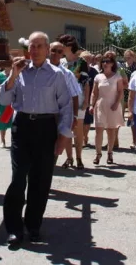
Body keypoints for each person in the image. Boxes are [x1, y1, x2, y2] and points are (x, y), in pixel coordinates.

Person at [0, 31, 73, 246]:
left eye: (40, 46)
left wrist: (63, 136)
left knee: (40, 181)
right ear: (27, 49)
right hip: (22, 127)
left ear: (48, 50)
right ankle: (13, 228)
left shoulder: (57, 74)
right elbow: (4, 99)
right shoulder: (20, 71)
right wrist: (13, 74)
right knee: (18, 177)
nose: (35, 50)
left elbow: (66, 107)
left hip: (46, 128)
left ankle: (33, 226)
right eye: (32, 46)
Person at [48, 41, 84, 169]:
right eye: (53, 50)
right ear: (48, 50)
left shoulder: (67, 74)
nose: (55, 54)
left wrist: (74, 116)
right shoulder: (38, 69)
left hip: (59, 115)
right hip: (40, 114)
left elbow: (75, 96)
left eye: (59, 51)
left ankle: (47, 174)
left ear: (62, 54)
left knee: (54, 148)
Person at [57, 34, 90, 169]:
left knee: (78, 129)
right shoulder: (61, 62)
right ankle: (69, 158)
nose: (60, 47)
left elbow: (86, 83)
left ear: (69, 46)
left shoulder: (81, 62)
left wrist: (86, 101)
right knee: (66, 128)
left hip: (79, 98)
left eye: (62, 44)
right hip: (63, 99)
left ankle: (79, 158)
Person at [89, 52, 124, 165]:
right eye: (103, 61)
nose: (105, 63)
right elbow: (94, 93)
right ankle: (98, 154)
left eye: (107, 61)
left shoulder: (117, 76)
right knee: (99, 130)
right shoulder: (98, 77)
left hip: (113, 105)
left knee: (111, 130)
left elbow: (120, 92)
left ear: (112, 63)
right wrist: (91, 105)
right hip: (100, 105)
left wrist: (116, 103)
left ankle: (110, 153)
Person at [0, 59, 14, 148]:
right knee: (2, 123)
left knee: (15, 123)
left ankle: (14, 141)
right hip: (3, 103)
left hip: (14, 104)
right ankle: (2, 140)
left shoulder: (15, 75)